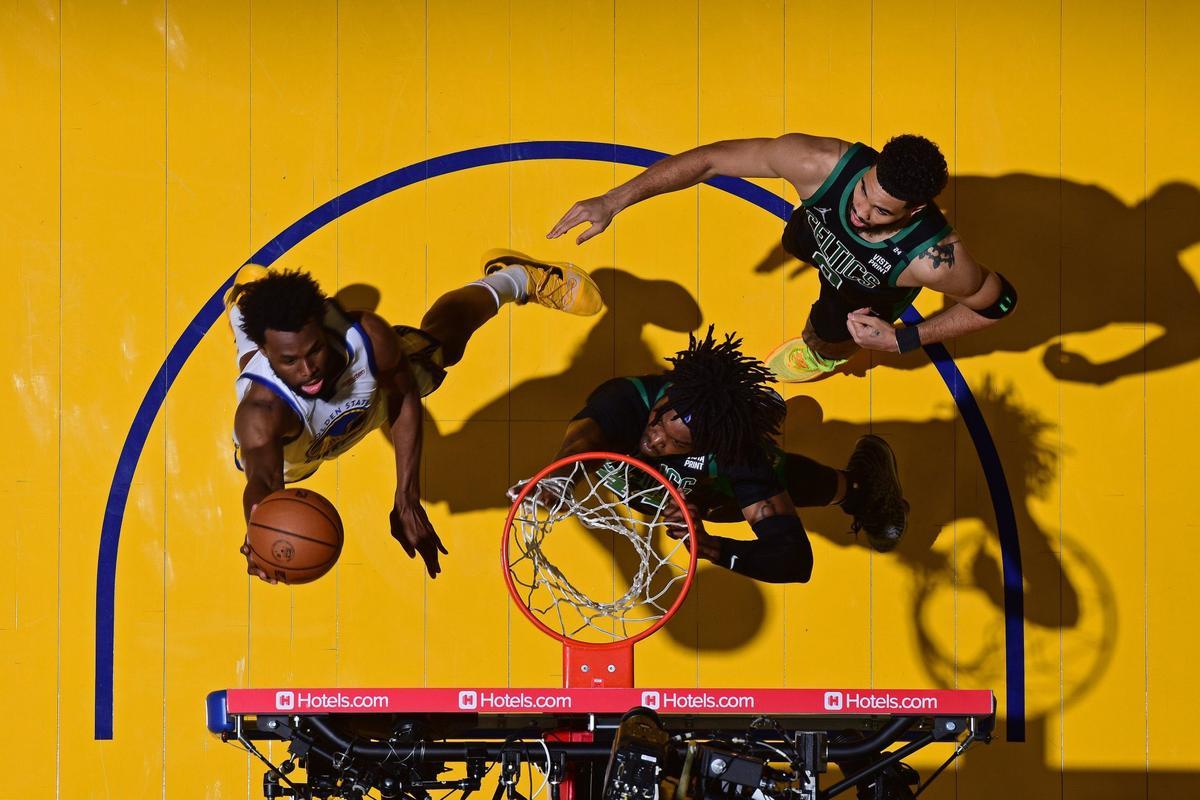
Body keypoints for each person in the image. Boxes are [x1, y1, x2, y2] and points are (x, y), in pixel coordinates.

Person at [226, 251, 603, 582]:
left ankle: (517, 277)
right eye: (289, 361)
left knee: (443, 347)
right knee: (253, 365)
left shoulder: (367, 336)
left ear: (325, 330)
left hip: (363, 394)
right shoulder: (263, 414)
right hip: (303, 450)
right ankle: (245, 300)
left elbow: (404, 395)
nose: (308, 370)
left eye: (314, 351)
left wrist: (407, 495)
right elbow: (264, 482)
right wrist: (259, 533)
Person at [548, 133, 1018, 382]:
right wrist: (615, 200)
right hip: (814, 240)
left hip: (861, 294)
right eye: (863, 192)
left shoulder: (934, 258)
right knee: (797, 238)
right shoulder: (817, 163)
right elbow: (711, 160)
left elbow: (996, 304)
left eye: (879, 212)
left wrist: (903, 340)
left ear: (914, 211)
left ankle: (825, 355)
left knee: (828, 335)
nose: (859, 211)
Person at [544, 327, 909, 584]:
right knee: (757, 479)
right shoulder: (625, 399)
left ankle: (860, 487)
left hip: (717, 491)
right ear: (664, 400)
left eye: (675, 444)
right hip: (662, 488)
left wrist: (713, 548)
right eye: (658, 423)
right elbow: (582, 445)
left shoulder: (736, 453)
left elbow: (794, 560)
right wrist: (560, 479)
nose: (655, 441)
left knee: (775, 479)